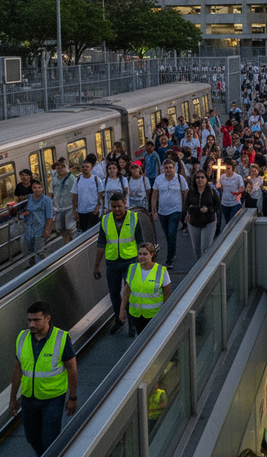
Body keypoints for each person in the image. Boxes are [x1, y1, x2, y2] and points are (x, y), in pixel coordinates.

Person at [9, 301, 78, 457]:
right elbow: (17, 368)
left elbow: (72, 369)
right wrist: (13, 398)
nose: (31, 324)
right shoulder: (22, 337)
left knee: (50, 440)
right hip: (28, 398)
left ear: (47, 318)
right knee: (32, 438)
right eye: (29, 320)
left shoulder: (61, 338)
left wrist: (72, 397)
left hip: (52, 399)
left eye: (36, 320)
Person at [94, 193, 144, 336]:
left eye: (119, 206)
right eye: (113, 206)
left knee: (129, 293)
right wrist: (96, 266)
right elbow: (101, 244)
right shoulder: (105, 220)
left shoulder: (134, 218)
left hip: (130, 261)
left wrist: (144, 261)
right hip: (112, 262)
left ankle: (132, 324)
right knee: (114, 293)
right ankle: (119, 320)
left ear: (125, 203)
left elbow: (140, 240)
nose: (116, 209)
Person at [118, 242, 171, 335]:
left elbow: (168, 295)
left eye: (145, 254)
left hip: (154, 315)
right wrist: (122, 310)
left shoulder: (161, 271)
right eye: (140, 254)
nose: (141, 257)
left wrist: (167, 314)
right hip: (136, 314)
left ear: (152, 254)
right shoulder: (132, 268)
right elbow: (127, 291)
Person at [152, 160, 188, 269]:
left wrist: (186, 210)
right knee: (168, 234)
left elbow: (185, 194)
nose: (168, 170)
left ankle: (169, 258)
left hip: (176, 210)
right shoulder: (159, 179)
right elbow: (154, 195)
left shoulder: (180, 179)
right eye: (166, 167)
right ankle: (172, 250)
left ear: (174, 168)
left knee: (171, 232)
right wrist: (153, 210)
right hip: (162, 211)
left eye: (170, 167)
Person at [185, 170, 221, 261]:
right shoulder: (191, 192)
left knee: (205, 247)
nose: (200, 179)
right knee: (196, 248)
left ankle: (206, 268)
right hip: (194, 222)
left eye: (202, 177)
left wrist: (208, 209)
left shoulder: (212, 191)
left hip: (209, 221)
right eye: (197, 177)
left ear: (206, 179)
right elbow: (186, 206)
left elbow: (217, 206)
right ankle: (198, 268)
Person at [20, 180, 53, 266]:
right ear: (32, 189)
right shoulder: (29, 197)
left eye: (39, 187)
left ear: (42, 188)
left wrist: (47, 230)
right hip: (29, 228)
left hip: (40, 228)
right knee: (29, 250)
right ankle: (32, 267)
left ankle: (42, 267)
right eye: (35, 188)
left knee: (39, 250)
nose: (37, 189)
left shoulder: (46, 200)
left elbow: (49, 216)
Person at [71, 159, 105, 232]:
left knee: (93, 231)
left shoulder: (96, 179)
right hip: (81, 211)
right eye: (83, 167)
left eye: (87, 166)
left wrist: (97, 207)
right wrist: (75, 211)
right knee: (84, 231)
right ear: (81, 168)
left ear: (91, 168)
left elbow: (101, 194)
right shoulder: (78, 179)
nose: (85, 168)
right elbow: (75, 195)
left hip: (93, 210)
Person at [50, 159, 76, 243]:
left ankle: (76, 244)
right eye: (58, 168)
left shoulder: (71, 178)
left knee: (70, 229)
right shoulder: (54, 178)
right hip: (58, 208)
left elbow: (75, 193)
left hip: (69, 207)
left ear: (65, 168)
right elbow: (52, 192)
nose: (60, 169)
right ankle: (67, 246)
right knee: (62, 230)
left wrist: (76, 208)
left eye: (62, 167)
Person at [218, 158, 245, 224]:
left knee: (232, 223)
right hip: (225, 203)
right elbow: (220, 187)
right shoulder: (222, 177)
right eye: (226, 165)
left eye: (229, 165)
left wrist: (239, 191)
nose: (227, 167)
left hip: (235, 203)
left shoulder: (238, 177)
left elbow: (242, 187)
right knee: (227, 222)